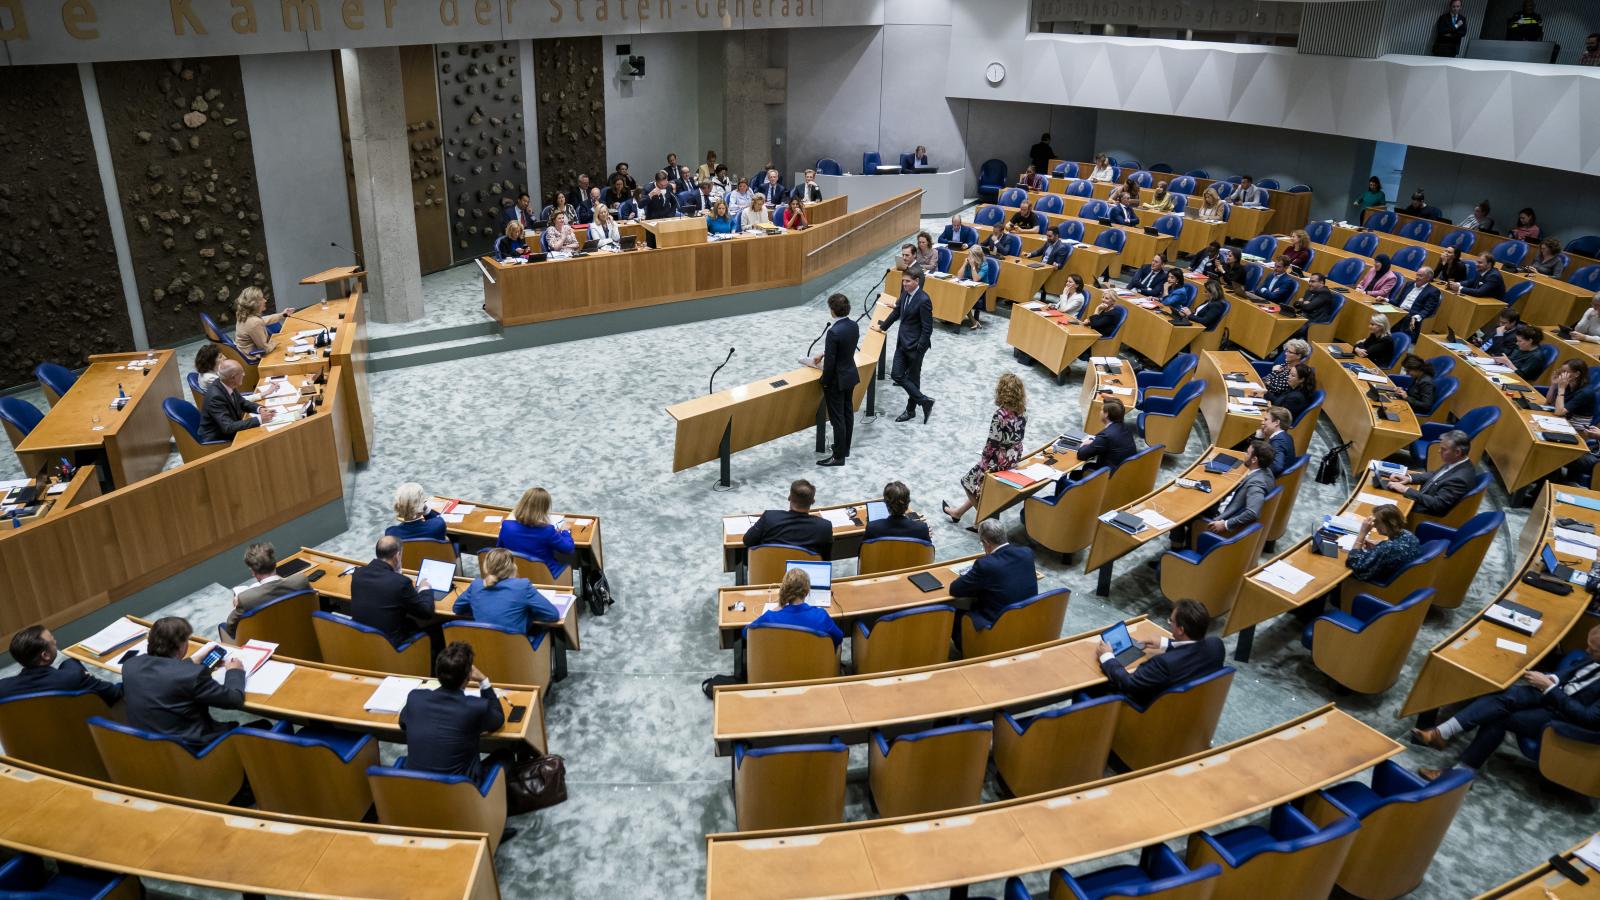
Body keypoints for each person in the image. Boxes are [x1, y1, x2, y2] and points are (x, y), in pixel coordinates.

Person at [1414, 624, 1600, 780]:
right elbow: (1574, 672)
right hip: (1558, 694)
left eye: (1593, 650)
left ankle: (1460, 773)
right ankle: (1442, 734)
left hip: (1566, 718)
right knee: (1504, 694)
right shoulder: (1594, 657)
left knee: (1499, 717)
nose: (1587, 651)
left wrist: (1550, 689)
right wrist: (1552, 679)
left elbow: (1588, 718)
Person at [121, 616, 246, 753]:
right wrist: (234, 671)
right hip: (195, 751)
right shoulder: (193, 675)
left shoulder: (130, 665)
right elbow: (234, 699)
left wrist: (192, 661)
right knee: (262, 726)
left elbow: (166, 672)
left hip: (151, 750)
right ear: (182, 646)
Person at [397, 642, 505, 780]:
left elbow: (403, 722)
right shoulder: (476, 707)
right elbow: (498, 719)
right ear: (468, 677)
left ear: (437, 672)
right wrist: (484, 682)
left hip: (418, 787)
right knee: (505, 756)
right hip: (461, 792)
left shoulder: (415, 698)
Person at [1097, 599, 1224, 707]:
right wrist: (1164, 643)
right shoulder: (1216, 646)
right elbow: (1190, 651)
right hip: (1190, 707)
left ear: (1180, 630)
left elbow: (1129, 684)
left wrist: (1107, 657)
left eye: (1171, 621)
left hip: (1146, 712)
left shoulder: (1164, 663)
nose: (1170, 624)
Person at [943, 374, 1027, 524]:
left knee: (969, 481)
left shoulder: (1000, 415)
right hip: (1013, 458)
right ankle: (958, 513)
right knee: (979, 485)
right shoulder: (1022, 412)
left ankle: (985, 523)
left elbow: (992, 443)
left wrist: (984, 459)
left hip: (998, 461)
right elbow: (1019, 438)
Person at [0, 625, 122, 705]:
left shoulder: (2, 688)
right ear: (45, 655)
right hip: (78, 731)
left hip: (31, 737)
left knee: (69, 662)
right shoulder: (74, 678)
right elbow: (114, 694)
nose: (55, 642)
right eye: (52, 641)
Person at [950, 518, 1038, 629]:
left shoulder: (985, 565)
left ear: (986, 543)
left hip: (996, 629)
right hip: (1025, 622)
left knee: (953, 612)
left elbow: (955, 589)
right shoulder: (1027, 553)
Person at [351, 535, 435, 646]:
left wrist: (394, 575)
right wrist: (424, 588)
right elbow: (426, 613)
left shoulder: (358, 573)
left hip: (363, 640)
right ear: (397, 556)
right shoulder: (401, 583)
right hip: (389, 647)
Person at [876, 269, 936, 424]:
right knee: (897, 375)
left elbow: (927, 328)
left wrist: (919, 347)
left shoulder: (924, 300)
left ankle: (910, 411)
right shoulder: (904, 294)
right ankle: (924, 401)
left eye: (907, 281)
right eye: (903, 281)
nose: (904, 284)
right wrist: (882, 328)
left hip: (915, 347)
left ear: (916, 281)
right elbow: (896, 313)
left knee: (914, 379)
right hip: (902, 343)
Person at [223, 542, 315, 639]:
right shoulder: (300, 581)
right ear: (275, 563)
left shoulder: (246, 599)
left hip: (268, 643)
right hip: (302, 635)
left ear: (253, 572)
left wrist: (236, 607)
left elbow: (230, 629)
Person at [453, 548, 559, 633]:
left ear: (486, 567)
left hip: (485, 646)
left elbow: (457, 608)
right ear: (513, 567)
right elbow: (552, 615)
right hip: (519, 650)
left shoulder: (476, 585)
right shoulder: (522, 586)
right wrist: (528, 613)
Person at [1191, 440, 1276, 540]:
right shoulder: (1267, 471)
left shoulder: (1256, 484)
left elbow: (1252, 512)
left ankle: (1177, 546)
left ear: (1254, 459)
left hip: (1223, 515)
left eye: (1247, 453)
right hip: (1231, 504)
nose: (1245, 455)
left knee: (1188, 509)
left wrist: (1226, 524)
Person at [1384, 429, 1478, 515]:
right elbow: (1434, 475)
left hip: (1422, 512)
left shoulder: (1459, 479)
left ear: (1457, 452)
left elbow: (1438, 504)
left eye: (1443, 449)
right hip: (1422, 497)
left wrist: (1406, 490)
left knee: (1385, 504)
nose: (1438, 451)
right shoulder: (1457, 462)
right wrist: (1409, 478)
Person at [814, 293, 859, 467]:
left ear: (833, 310)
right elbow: (843, 348)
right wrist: (825, 352)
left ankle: (838, 457)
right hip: (850, 375)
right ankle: (845, 448)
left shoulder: (833, 332)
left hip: (837, 381)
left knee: (837, 419)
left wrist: (824, 381)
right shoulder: (853, 325)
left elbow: (831, 363)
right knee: (847, 413)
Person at [747, 568, 843, 646]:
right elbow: (839, 638)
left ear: (784, 589)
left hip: (779, 667)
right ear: (806, 592)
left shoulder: (769, 617)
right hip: (813, 667)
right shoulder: (821, 616)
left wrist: (776, 609)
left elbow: (747, 633)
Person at [497, 486, 575, 578]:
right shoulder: (548, 531)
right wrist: (565, 531)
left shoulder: (506, 526)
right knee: (565, 565)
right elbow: (568, 548)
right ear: (544, 509)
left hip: (516, 574)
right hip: (545, 577)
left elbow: (499, 548)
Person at [742, 479, 833, 557]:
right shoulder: (824, 527)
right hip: (805, 576)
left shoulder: (769, 517)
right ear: (813, 501)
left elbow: (748, 541)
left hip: (769, 573)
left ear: (789, 497)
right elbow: (825, 558)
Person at [199, 359, 272, 443]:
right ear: (233, 377)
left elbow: (242, 402)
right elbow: (228, 427)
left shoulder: (226, 383)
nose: (244, 374)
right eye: (241, 373)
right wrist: (259, 419)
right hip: (217, 439)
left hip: (230, 427)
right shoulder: (215, 397)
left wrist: (259, 409)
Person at [1345, 504, 1421, 583]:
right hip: (1403, 581)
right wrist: (1378, 547)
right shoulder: (1408, 534)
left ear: (1392, 522)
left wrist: (1362, 533)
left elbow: (1353, 563)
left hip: (1377, 586)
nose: (1374, 525)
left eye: (1377, 522)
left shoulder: (1387, 548)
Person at [1074, 398, 1138, 472]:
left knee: (1076, 472)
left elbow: (1082, 455)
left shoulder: (1106, 436)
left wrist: (1084, 445)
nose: (1100, 412)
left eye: (1101, 410)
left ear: (1106, 414)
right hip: (1125, 472)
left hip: (1109, 477)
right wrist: (1094, 442)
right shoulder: (1125, 427)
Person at [232, 287, 293, 358]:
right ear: (254, 304)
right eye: (261, 299)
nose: (265, 300)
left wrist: (282, 314)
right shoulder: (254, 322)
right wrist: (277, 342)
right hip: (254, 357)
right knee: (287, 346)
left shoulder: (244, 315)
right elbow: (265, 349)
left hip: (244, 353)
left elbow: (264, 320)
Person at [864, 481, 931, 542]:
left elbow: (863, 552)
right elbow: (928, 553)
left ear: (885, 503)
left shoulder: (872, 528)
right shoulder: (922, 529)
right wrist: (926, 538)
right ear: (908, 502)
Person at [1288, 271, 1339, 340]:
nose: (1310, 283)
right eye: (1309, 281)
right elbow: (1296, 305)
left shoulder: (1325, 293)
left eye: (1313, 282)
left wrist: (1301, 302)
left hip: (1313, 321)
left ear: (1321, 283)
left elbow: (1309, 307)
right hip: (1303, 317)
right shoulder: (1309, 290)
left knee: (1288, 329)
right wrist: (1303, 303)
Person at [1547, 359, 1597, 423]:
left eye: (1565, 372)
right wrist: (1553, 385)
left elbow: (1559, 412)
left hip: (1576, 426)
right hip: (1563, 418)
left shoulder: (1585, 392)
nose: (1561, 374)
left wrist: (1561, 389)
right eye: (1561, 371)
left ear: (1577, 374)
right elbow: (1549, 402)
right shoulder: (1568, 384)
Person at [1255, 407, 1296, 474]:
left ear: (1276, 422)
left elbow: (1276, 467)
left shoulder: (1278, 441)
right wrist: (1261, 435)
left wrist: (1256, 471)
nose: (1262, 422)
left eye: (1266, 420)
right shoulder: (1286, 436)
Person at [957, 246, 989, 329]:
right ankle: (973, 321)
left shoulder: (984, 265)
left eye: (971, 256)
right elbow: (959, 276)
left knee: (964, 298)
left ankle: (972, 321)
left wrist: (972, 266)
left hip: (980, 290)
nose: (969, 257)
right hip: (968, 287)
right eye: (969, 255)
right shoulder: (968, 263)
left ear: (977, 257)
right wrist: (964, 264)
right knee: (957, 293)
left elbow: (976, 279)